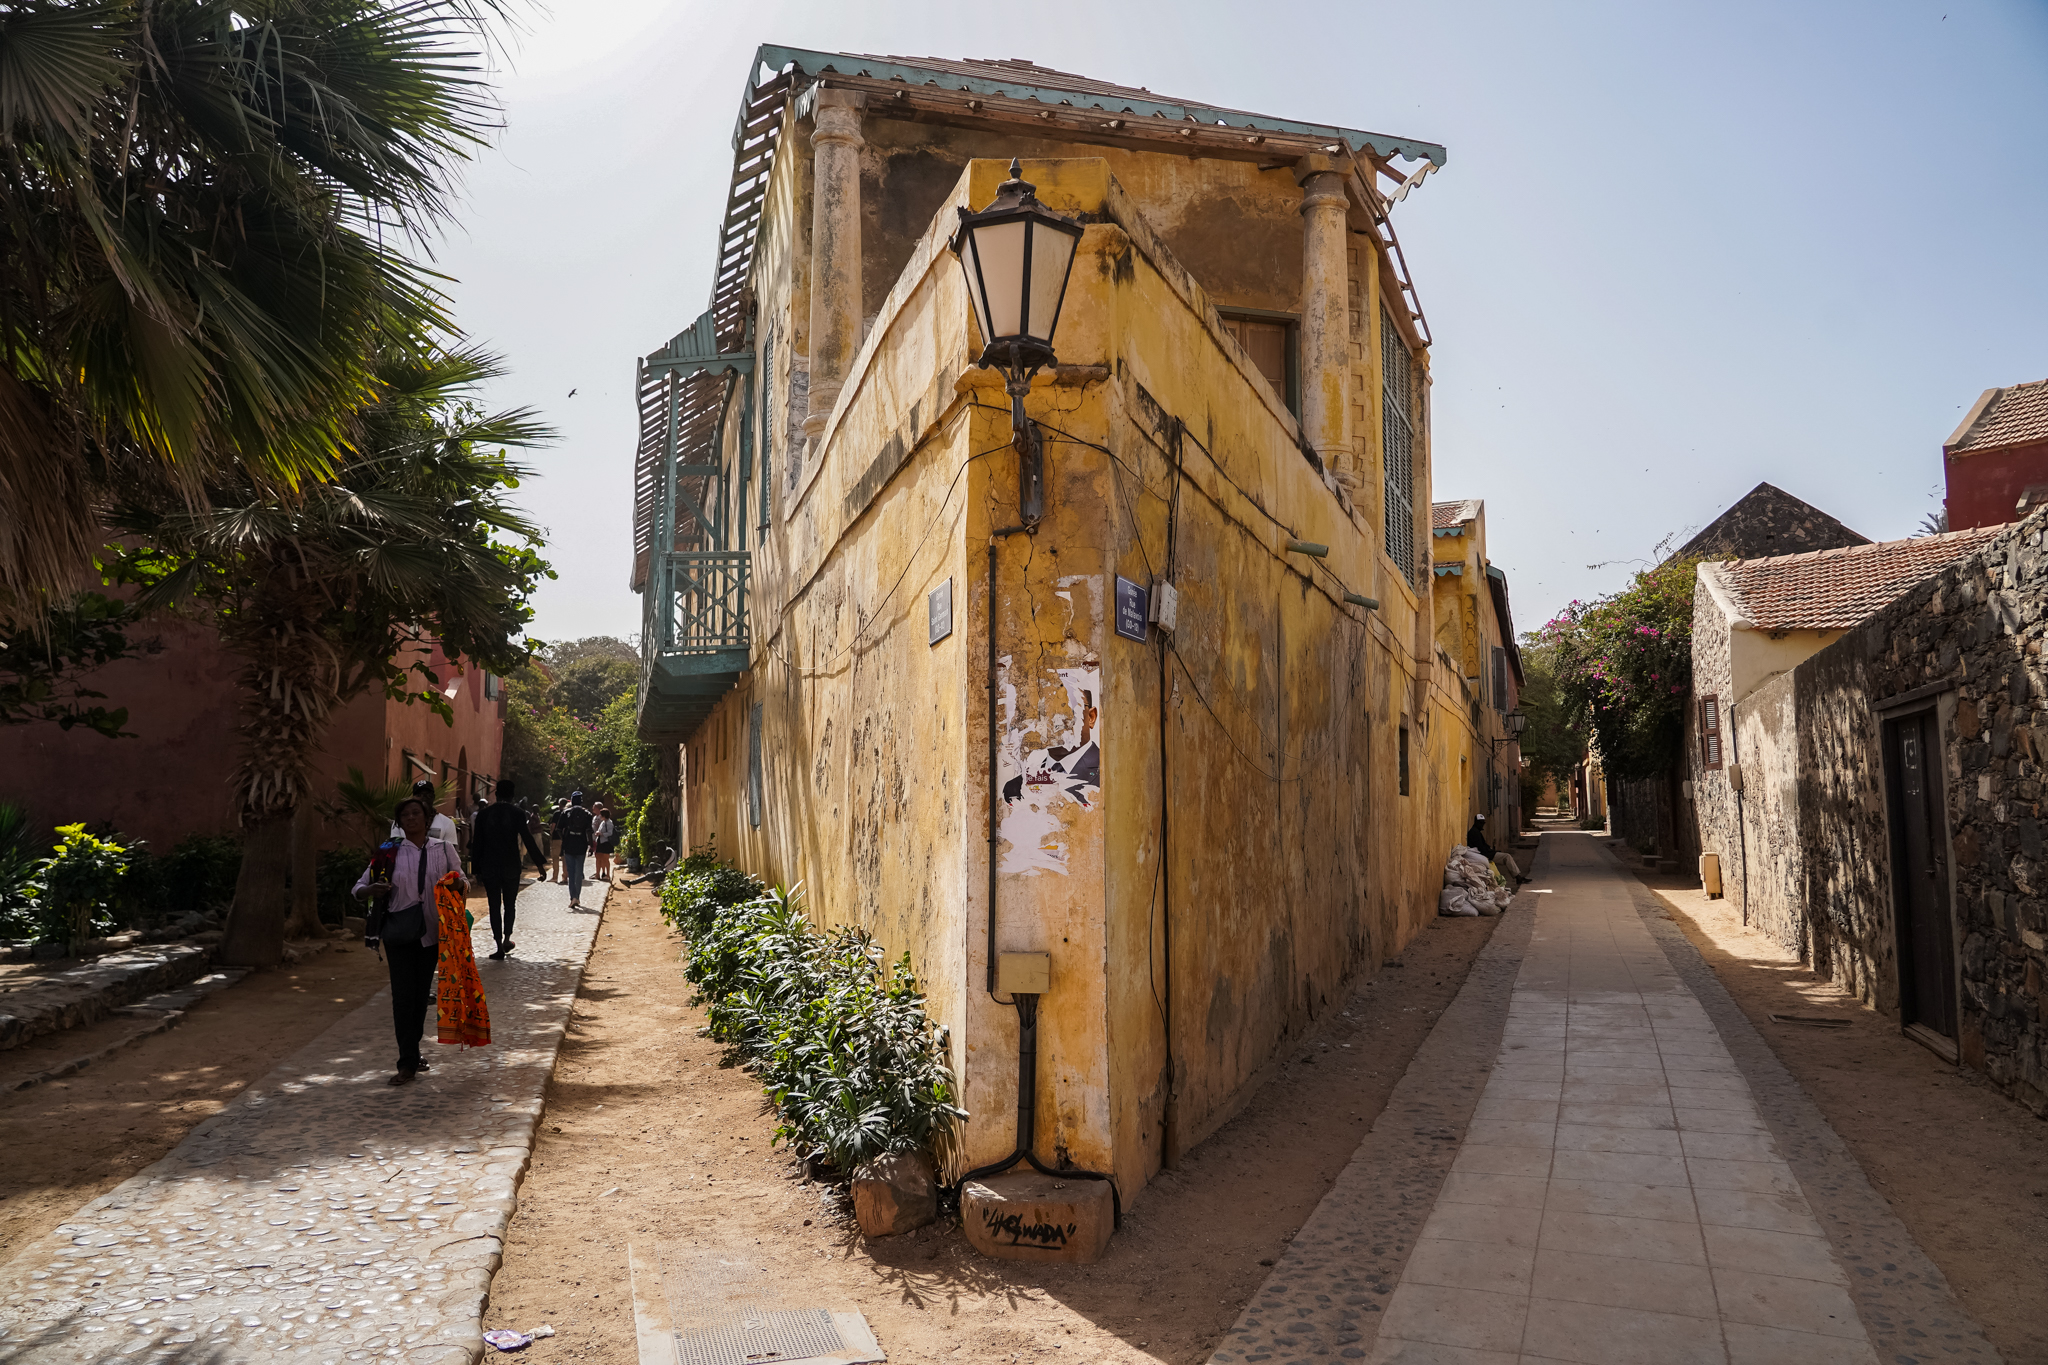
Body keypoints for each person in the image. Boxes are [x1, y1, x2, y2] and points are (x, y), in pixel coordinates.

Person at [355, 796, 466, 1085]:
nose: (411, 818)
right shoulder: (388, 853)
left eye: (416, 813)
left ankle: (413, 1052)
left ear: (427, 818)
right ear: (399, 821)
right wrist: (373, 890)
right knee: (403, 997)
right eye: (405, 815)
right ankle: (406, 1061)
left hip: (431, 934)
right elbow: (359, 887)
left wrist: (457, 883)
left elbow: (463, 882)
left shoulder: (443, 850)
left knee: (419, 998)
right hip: (399, 934)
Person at [470, 777, 546, 960]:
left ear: (496, 794)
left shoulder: (483, 815)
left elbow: (477, 843)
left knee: (494, 905)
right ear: (512, 795)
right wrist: (540, 865)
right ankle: (507, 938)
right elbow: (527, 839)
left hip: (489, 866)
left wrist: (475, 870)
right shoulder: (518, 814)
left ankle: (497, 946)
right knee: (510, 904)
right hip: (511, 865)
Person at [1467, 812, 1531, 885]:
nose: (1482, 825)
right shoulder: (1474, 833)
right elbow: (1481, 848)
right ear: (1476, 822)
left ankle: (1517, 877)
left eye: (1483, 823)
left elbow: (1483, 845)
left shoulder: (1476, 831)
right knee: (1507, 856)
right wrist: (1492, 852)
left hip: (1485, 853)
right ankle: (1518, 877)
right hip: (1484, 854)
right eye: (1480, 823)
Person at [390, 778, 457, 844]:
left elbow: (450, 851)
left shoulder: (447, 823)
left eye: (427, 795)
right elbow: (395, 846)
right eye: (419, 795)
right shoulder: (402, 821)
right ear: (413, 798)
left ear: (433, 797)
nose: (423, 797)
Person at [559, 791, 595, 907]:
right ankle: (577, 897)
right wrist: (590, 845)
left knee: (571, 872)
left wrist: (564, 839)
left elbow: (559, 829)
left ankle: (572, 897)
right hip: (581, 844)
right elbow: (589, 831)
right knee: (579, 872)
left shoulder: (566, 813)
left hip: (569, 844)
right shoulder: (587, 814)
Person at [592, 803, 616, 882]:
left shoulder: (609, 823)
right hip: (600, 842)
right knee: (599, 858)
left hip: (606, 843)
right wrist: (598, 832)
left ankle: (608, 875)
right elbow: (599, 829)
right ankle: (598, 874)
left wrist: (601, 834)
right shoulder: (603, 822)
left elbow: (610, 833)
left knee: (606, 859)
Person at [546, 799, 568, 883]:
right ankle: (565, 876)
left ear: (559, 804)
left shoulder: (557, 813)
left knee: (555, 858)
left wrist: (551, 833)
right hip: (565, 838)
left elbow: (553, 825)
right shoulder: (567, 813)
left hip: (556, 838)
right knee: (564, 858)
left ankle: (555, 877)